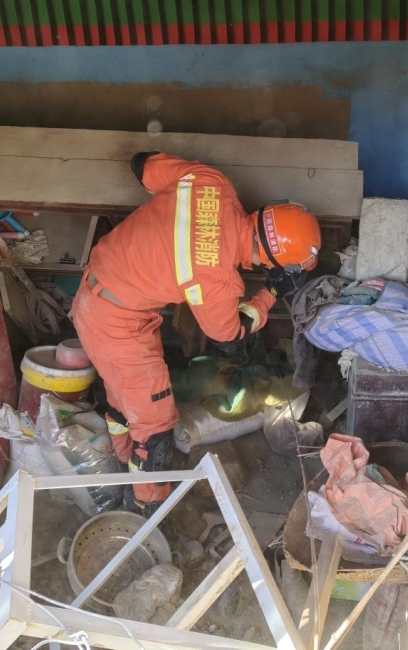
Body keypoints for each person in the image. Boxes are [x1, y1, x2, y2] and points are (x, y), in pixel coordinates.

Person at [71, 151, 322, 516]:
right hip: (118, 324)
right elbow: (231, 334)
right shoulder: (218, 281)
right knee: (155, 430)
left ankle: (122, 463)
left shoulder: (212, 183)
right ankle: (146, 511)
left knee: (125, 400)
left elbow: (142, 164)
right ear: (274, 262)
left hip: (95, 296)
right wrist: (271, 291)